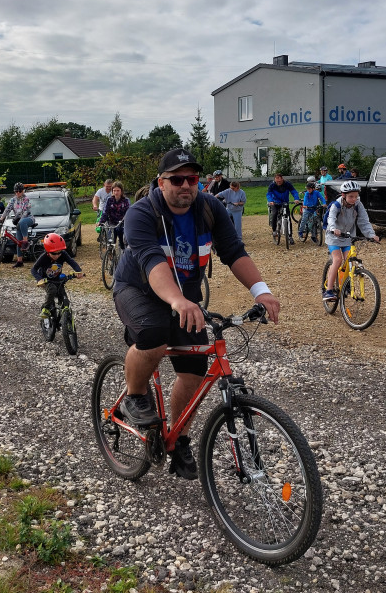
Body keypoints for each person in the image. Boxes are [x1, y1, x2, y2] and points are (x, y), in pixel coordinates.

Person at [112, 147, 280, 480]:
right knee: (153, 335)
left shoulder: (210, 207)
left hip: (183, 295)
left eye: (192, 178)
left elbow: (233, 251)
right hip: (138, 288)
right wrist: (176, 300)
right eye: (177, 179)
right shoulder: (142, 213)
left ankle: (179, 440)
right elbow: (152, 262)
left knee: (193, 371)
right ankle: (134, 395)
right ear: (162, 183)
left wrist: (262, 291)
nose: (186, 185)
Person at [323, 181, 379, 301]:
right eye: (351, 196)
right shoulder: (336, 205)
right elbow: (331, 218)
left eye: (356, 196)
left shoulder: (358, 205)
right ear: (343, 195)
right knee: (337, 260)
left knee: (350, 260)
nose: (354, 199)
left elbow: (364, 221)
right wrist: (333, 229)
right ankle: (328, 290)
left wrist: (371, 234)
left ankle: (346, 282)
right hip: (333, 237)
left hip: (347, 237)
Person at [32, 233, 84, 328]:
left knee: (64, 299)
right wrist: (39, 279)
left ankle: (66, 320)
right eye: (54, 253)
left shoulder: (62, 254)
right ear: (48, 251)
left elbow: (71, 262)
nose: (57, 255)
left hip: (57, 279)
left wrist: (78, 270)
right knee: (52, 290)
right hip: (46, 280)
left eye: (59, 252)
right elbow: (34, 269)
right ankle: (46, 309)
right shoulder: (44, 257)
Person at [0, 182, 34, 268]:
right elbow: (7, 210)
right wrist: (1, 219)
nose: (18, 193)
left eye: (20, 191)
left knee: (22, 222)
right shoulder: (12, 200)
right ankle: (20, 261)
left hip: (28, 218)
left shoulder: (26, 199)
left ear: (23, 191)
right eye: (16, 191)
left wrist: (20, 221)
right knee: (18, 241)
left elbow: (26, 212)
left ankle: (25, 241)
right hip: (18, 222)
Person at [266, 172, 300, 239]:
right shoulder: (272, 185)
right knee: (274, 213)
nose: (278, 182)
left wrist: (296, 199)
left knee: (288, 218)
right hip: (275, 202)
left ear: (282, 179)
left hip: (285, 202)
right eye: (276, 181)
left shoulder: (287, 184)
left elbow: (294, 191)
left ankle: (290, 236)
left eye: (279, 181)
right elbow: (269, 194)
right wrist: (271, 201)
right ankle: (274, 230)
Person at [98, 181, 131, 249]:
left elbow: (129, 212)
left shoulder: (126, 201)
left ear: (121, 191)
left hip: (122, 224)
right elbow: (105, 211)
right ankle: (110, 255)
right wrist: (101, 221)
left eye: (118, 190)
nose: (116, 192)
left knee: (123, 243)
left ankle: (123, 252)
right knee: (110, 242)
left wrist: (124, 220)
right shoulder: (109, 200)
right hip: (112, 223)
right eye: (114, 190)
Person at [298, 176, 326, 241]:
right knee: (304, 219)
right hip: (307, 208)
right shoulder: (307, 194)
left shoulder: (317, 193)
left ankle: (313, 236)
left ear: (313, 188)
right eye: (307, 189)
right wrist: (305, 205)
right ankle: (300, 232)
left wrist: (324, 203)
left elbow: (321, 198)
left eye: (309, 189)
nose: (308, 190)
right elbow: (305, 200)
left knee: (314, 221)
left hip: (314, 208)